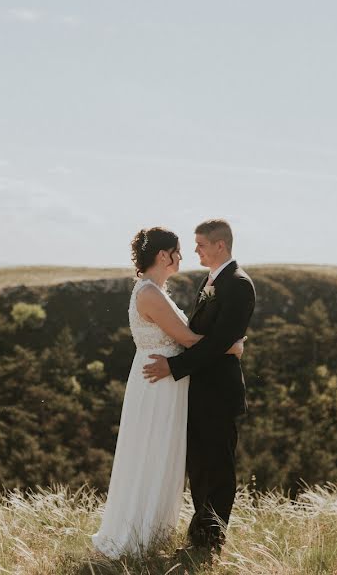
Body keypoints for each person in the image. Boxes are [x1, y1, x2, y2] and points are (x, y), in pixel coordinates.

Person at [91, 225, 247, 559]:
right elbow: (188, 340)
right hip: (158, 382)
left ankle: (154, 530)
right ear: (163, 255)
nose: (184, 255)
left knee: (163, 454)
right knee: (153, 452)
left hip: (167, 381)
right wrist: (232, 347)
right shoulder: (149, 292)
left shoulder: (156, 289)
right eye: (178, 250)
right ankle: (138, 534)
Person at [143, 219, 256, 556]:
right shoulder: (210, 281)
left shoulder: (238, 284)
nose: (195, 251)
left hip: (219, 393)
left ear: (220, 245)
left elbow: (219, 341)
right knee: (200, 468)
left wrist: (173, 367)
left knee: (218, 470)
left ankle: (210, 543)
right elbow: (202, 338)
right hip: (200, 391)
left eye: (201, 245)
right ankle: (199, 535)